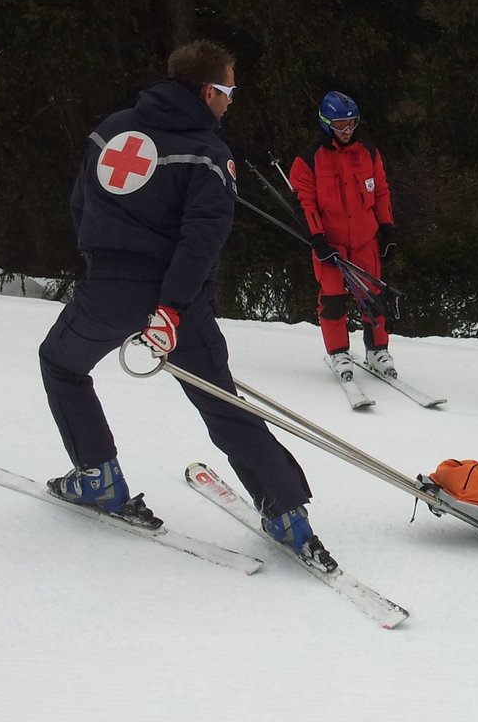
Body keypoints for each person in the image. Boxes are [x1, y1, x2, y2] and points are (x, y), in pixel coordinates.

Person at [37, 40, 337, 572]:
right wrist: (173, 308)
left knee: (62, 364)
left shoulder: (111, 130)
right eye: (227, 90)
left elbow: (80, 203)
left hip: (108, 289)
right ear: (206, 90)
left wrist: (103, 265)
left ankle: (98, 477)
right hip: (178, 305)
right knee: (221, 402)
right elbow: (202, 239)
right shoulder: (208, 152)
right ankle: (287, 514)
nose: (230, 101)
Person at [287, 90, 397, 385]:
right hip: (330, 246)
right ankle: (338, 352)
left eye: (352, 124)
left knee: (373, 298)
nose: (347, 131)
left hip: (365, 241)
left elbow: (381, 191)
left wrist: (387, 230)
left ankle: (377, 351)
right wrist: (317, 239)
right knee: (333, 300)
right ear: (326, 123)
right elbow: (305, 203)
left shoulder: (369, 152)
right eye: (340, 125)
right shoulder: (308, 161)